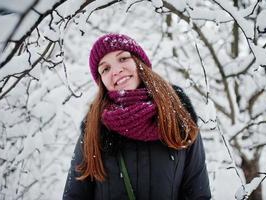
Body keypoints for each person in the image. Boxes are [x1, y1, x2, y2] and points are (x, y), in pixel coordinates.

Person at [63, 33, 211, 200]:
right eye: (105, 69)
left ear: (138, 61)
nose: (116, 71)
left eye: (123, 59)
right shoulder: (94, 128)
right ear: (102, 81)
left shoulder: (178, 116)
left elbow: (198, 195)